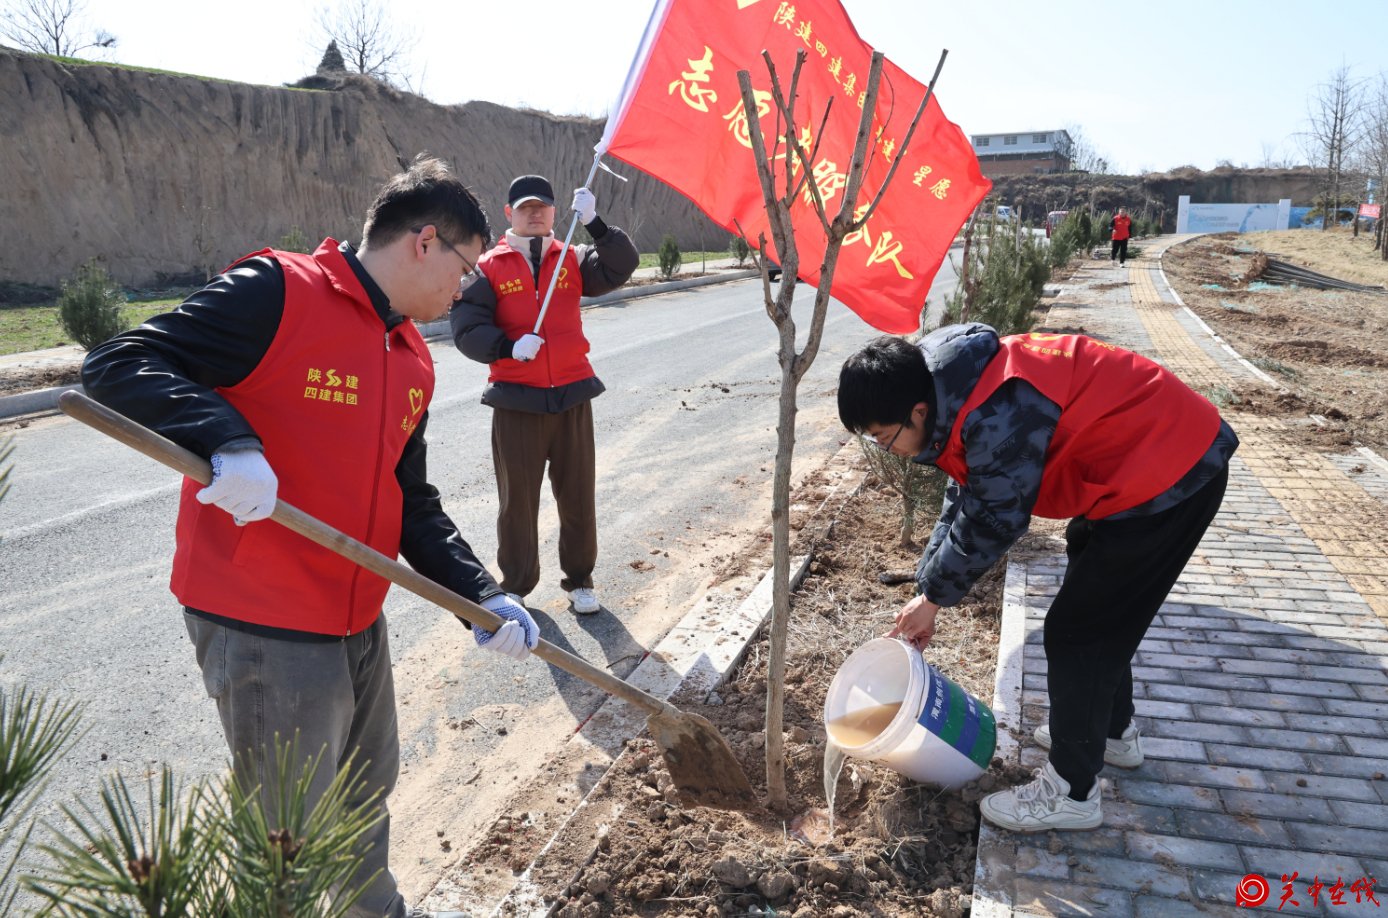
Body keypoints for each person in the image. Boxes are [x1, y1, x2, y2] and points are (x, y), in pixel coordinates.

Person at [81, 155, 538, 918]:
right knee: (281, 833)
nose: (468, 289)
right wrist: (226, 437)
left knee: (365, 793)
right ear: (425, 242)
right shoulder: (279, 292)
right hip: (263, 616)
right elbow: (118, 362)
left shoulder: (411, 356)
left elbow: (411, 501)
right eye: (466, 268)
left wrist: (483, 597)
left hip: (356, 617)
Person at [837, 324, 1238, 832]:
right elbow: (967, 490)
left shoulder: (997, 410)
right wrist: (926, 588)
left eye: (883, 437)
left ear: (917, 411)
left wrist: (934, 600)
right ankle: (1112, 734)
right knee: (1098, 609)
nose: (886, 448)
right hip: (1133, 462)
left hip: (1171, 473)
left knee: (1077, 633)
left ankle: (1072, 793)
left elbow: (995, 516)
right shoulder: (941, 382)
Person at [451, 174, 638, 615]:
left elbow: (620, 265)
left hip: (572, 396)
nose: (534, 213)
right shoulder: (488, 267)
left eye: (543, 207)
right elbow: (466, 329)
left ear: (556, 213)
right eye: (525, 207)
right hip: (517, 400)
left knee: (578, 496)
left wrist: (597, 225)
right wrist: (507, 348)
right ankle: (515, 584)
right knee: (517, 502)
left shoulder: (573, 258)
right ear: (508, 214)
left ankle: (581, 581)